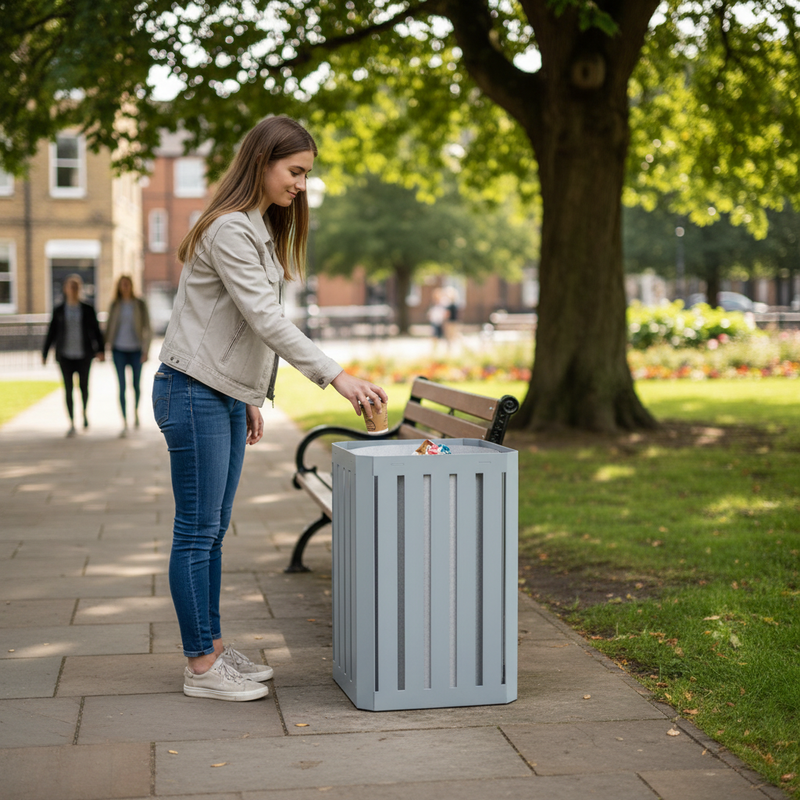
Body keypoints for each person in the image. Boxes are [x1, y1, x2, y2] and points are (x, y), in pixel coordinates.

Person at [152, 115, 388, 702]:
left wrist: (249, 395)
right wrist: (337, 377)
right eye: (296, 171)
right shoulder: (231, 230)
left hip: (220, 393)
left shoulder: (254, 226)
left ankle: (209, 647)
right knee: (197, 531)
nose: (301, 186)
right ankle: (200, 666)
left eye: (306, 174)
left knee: (212, 533)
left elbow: (243, 328)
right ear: (262, 161)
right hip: (192, 389)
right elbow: (265, 318)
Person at [42, 274, 105, 437]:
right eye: (70, 287)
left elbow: (96, 331)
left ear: (80, 289)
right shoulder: (59, 310)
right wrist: (44, 353)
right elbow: (51, 333)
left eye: (76, 287)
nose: (73, 290)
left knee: (84, 387)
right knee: (68, 389)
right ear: (65, 289)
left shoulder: (87, 309)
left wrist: (101, 350)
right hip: (65, 355)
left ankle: (84, 412)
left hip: (84, 354)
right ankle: (71, 422)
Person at [106, 275, 152, 436]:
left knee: (136, 385)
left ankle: (136, 412)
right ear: (118, 287)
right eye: (122, 284)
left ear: (132, 286)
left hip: (136, 350)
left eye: (127, 284)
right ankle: (124, 420)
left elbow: (148, 327)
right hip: (118, 349)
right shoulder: (115, 305)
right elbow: (109, 326)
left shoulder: (139, 304)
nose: (125, 287)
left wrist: (146, 350)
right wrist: (105, 346)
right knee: (122, 386)